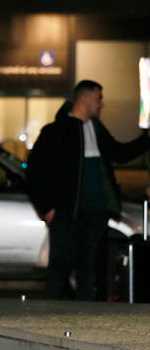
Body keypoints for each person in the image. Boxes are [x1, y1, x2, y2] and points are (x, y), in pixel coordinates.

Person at [28, 80, 150, 301]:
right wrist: (46, 208)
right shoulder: (56, 131)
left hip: (95, 215)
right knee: (59, 271)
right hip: (66, 215)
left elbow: (120, 153)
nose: (101, 104)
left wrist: (146, 140)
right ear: (84, 99)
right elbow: (35, 173)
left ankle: (86, 320)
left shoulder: (96, 130)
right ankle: (46, 319)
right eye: (98, 98)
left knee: (89, 272)